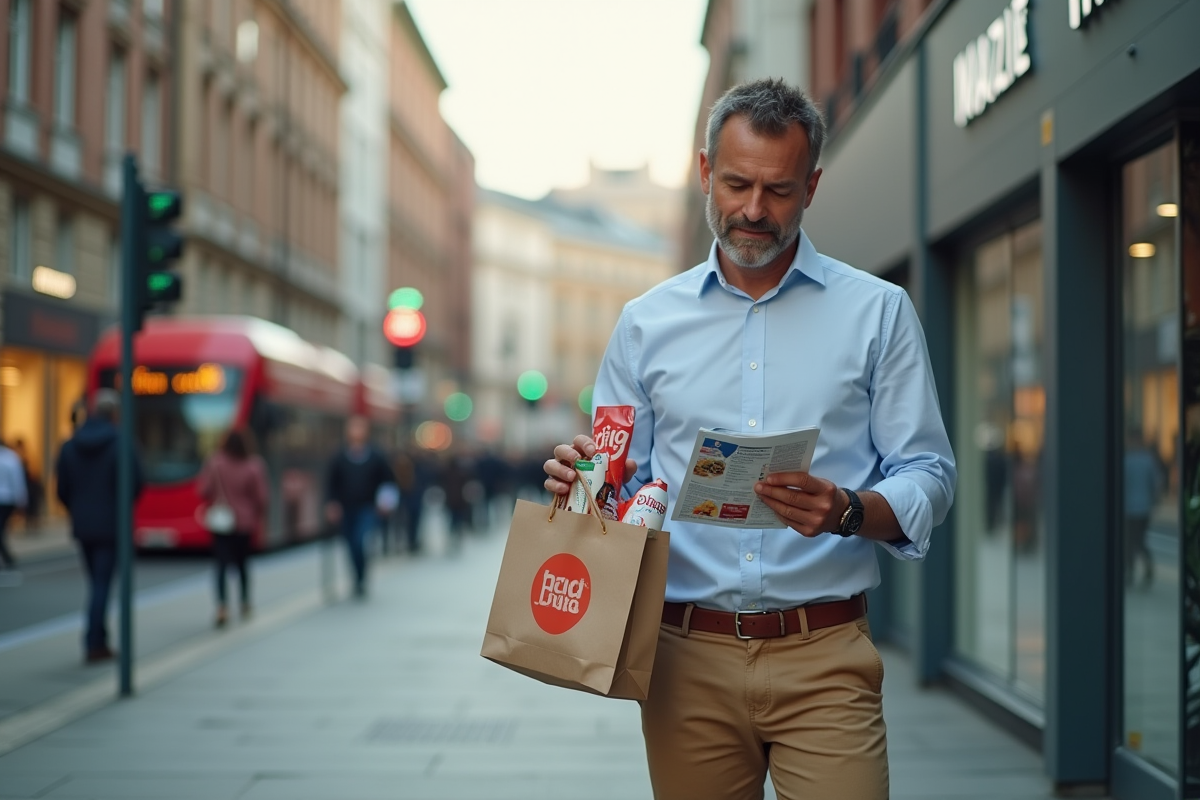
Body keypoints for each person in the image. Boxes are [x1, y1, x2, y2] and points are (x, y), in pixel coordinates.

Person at [543, 79, 955, 800]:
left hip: (826, 655)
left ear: (813, 186)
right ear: (705, 172)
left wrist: (849, 510)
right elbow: (618, 483)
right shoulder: (646, 324)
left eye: (780, 190)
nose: (755, 210)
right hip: (680, 659)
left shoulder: (879, 313)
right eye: (736, 183)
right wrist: (583, 484)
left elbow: (929, 471)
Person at [56, 389, 143, 663]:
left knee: (96, 582)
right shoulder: (121, 442)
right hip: (111, 524)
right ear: (114, 413)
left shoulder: (70, 445)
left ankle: (98, 638)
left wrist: (77, 510)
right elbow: (136, 482)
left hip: (83, 524)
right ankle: (94, 642)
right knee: (102, 584)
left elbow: (61, 488)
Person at [198, 428, 268, 627]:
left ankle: (222, 607)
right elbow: (262, 497)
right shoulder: (254, 465)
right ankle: (245, 602)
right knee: (243, 564)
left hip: (222, 521)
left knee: (221, 565)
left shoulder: (215, 462)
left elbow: (203, 489)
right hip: (245, 523)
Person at [324, 415, 395, 598]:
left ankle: (361, 577)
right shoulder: (339, 456)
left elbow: (387, 481)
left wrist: (385, 503)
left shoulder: (376, 456)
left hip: (368, 508)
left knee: (359, 541)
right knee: (349, 545)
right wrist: (332, 504)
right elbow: (332, 483)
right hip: (347, 508)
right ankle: (357, 577)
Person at [1123, 432, 1161, 588]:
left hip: (1128, 508)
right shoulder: (1148, 459)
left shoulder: (1125, 460)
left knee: (1130, 541)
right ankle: (1146, 569)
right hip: (1144, 507)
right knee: (1139, 540)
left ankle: (1131, 573)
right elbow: (1156, 483)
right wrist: (1154, 500)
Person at [0, 440, 28, 570]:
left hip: (6, 499)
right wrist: (21, 499)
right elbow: (18, 480)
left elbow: (17, 480)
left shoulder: (10, 458)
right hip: (8, 499)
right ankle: (7, 557)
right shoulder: (11, 458)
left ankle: (7, 557)